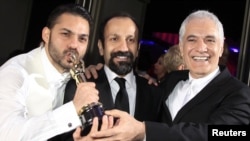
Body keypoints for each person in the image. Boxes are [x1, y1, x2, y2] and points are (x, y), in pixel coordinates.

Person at [75, 10, 250, 141]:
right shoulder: (170, 81)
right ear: (181, 46)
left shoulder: (240, 94)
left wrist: (144, 131)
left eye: (210, 40)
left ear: (221, 47)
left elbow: (214, 133)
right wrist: (101, 68)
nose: (201, 47)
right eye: (192, 39)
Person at [58, 11, 164, 141]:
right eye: (114, 39)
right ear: (101, 47)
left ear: (138, 49)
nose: (124, 48)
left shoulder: (154, 94)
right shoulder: (78, 87)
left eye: (130, 40)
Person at [0, 4, 100, 140]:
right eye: (66, 34)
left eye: (82, 39)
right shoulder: (14, 73)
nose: (74, 45)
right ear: (46, 35)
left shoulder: (79, 76)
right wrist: (72, 110)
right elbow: (7, 135)